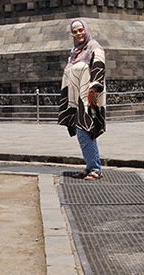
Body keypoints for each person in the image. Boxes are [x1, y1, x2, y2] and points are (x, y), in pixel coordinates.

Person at [57, 18, 106, 180]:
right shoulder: (75, 52)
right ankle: (91, 165)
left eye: (81, 30)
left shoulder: (94, 48)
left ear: (86, 29)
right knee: (81, 131)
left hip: (89, 97)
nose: (78, 33)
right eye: (75, 31)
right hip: (76, 99)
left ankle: (95, 169)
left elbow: (99, 67)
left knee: (86, 129)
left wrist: (92, 94)